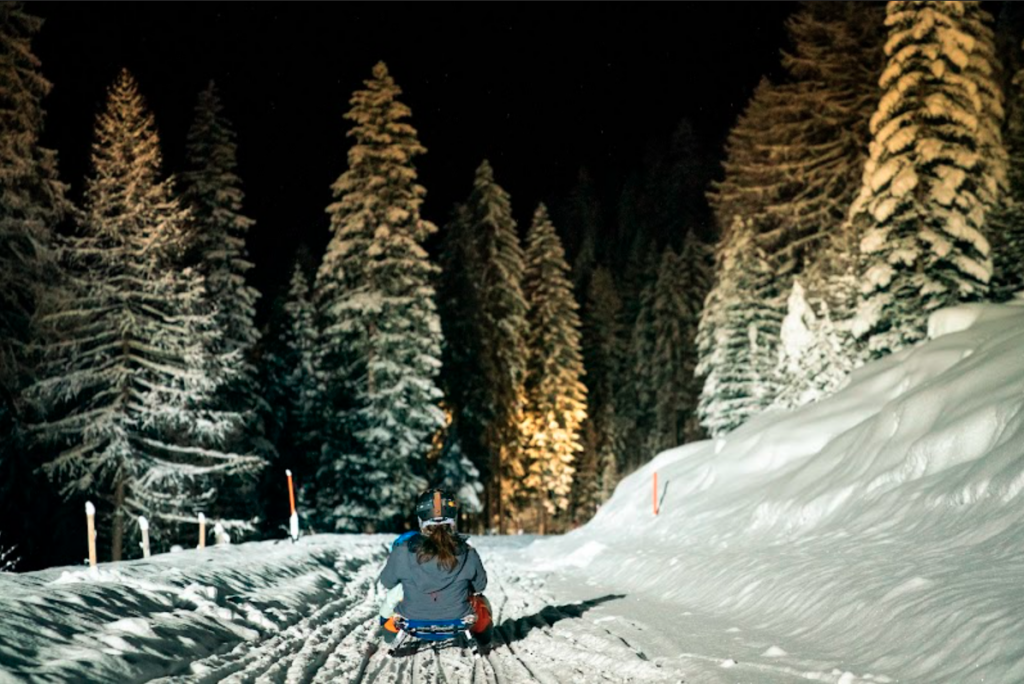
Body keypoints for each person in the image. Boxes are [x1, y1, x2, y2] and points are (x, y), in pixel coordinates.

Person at [378, 488, 493, 646]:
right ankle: (483, 637)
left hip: (412, 618)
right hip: (458, 618)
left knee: (395, 601)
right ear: (453, 518)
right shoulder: (467, 551)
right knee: (480, 601)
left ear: (421, 519)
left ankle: (390, 633)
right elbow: (480, 585)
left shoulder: (402, 550)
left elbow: (387, 582)